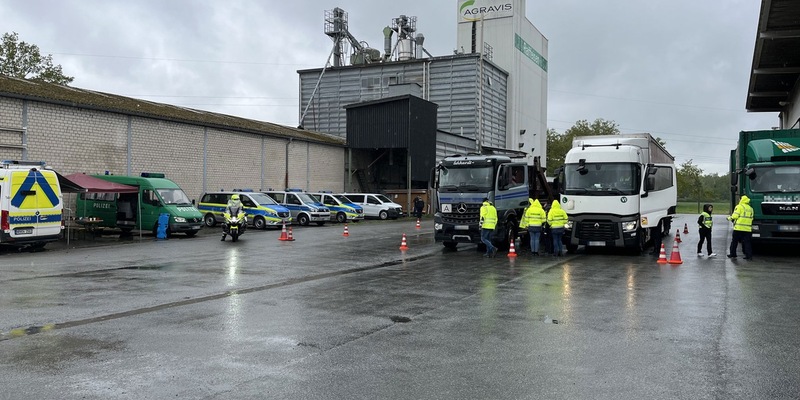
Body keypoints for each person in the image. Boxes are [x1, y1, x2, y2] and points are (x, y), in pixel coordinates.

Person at [727, 195, 754, 260]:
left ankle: (733, 254)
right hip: (747, 229)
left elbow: (735, 216)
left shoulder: (739, 207)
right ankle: (748, 256)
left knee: (734, 241)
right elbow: (752, 218)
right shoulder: (750, 208)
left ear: (741, 200)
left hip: (738, 228)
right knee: (747, 242)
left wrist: (729, 218)